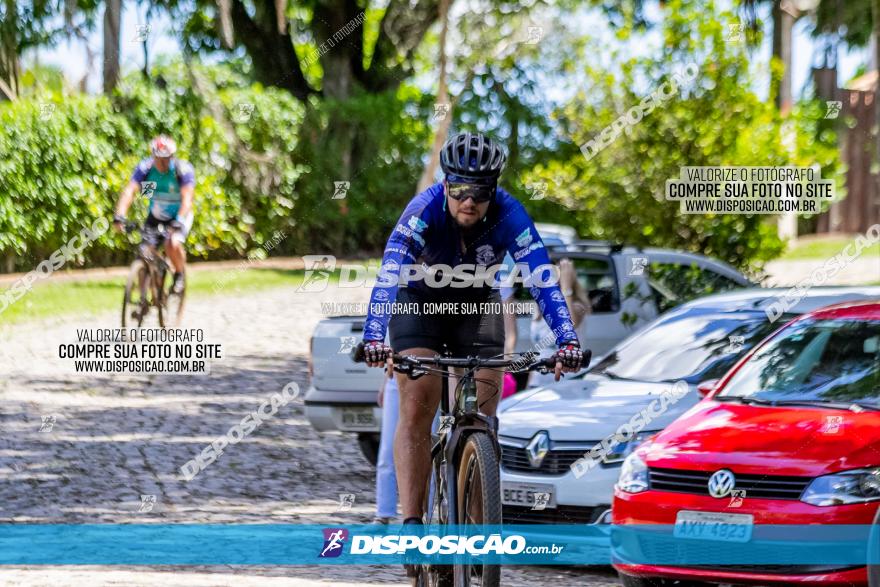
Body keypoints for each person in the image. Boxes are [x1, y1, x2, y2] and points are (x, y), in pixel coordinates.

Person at [358, 131, 585, 571]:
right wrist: (373, 335)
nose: (469, 201)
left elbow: (541, 277)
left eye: (479, 192)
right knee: (419, 402)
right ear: (445, 186)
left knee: (483, 412)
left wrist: (567, 341)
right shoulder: (423, 211)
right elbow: (389, 273)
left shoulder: (509, 214)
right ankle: (411, 523)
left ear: (493, 190)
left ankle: (479, 528)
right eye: (459, 189)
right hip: (419, 305)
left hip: (475, 309)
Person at [113, 135, 195, 294]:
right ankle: (145, 297)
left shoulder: (182, 170)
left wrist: (178, 220)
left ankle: (179, 274)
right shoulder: (146, 169)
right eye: (158, 158)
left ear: (172, 156)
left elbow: (187, 199)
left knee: (172, 243)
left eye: (166, 158)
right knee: (145, 252)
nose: (162, 162)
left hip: (179, 214)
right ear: (153, 156)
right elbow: (130, 191)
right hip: (157, 215)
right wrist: (120, 215)